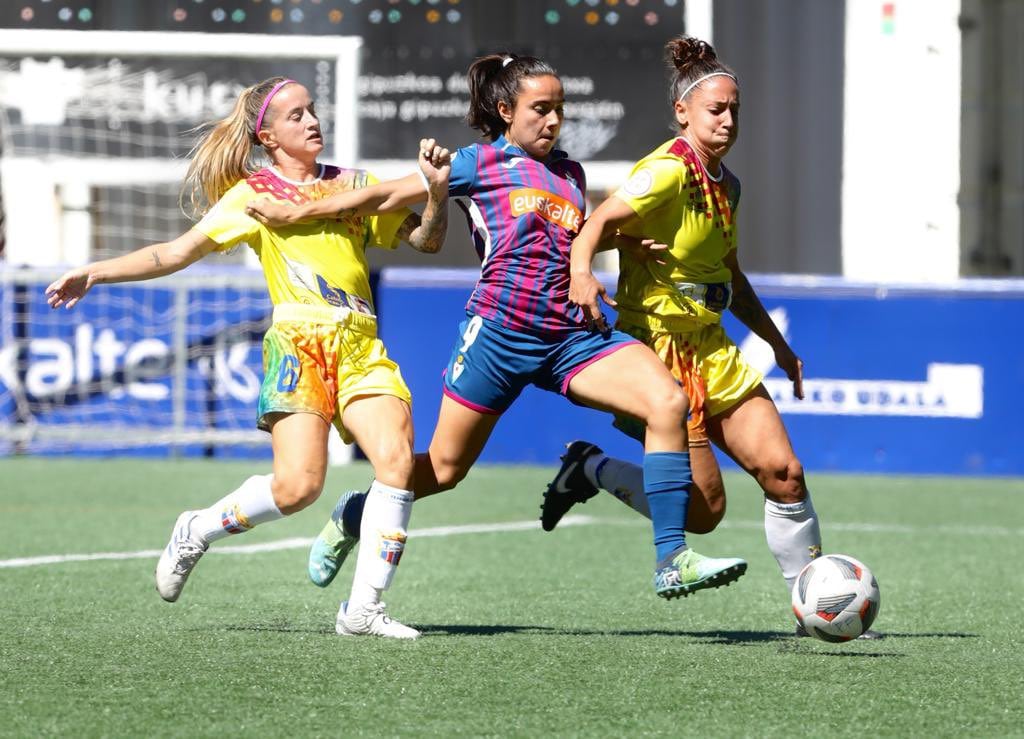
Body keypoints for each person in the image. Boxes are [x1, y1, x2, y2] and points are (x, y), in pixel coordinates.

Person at [247, 54, 748, 603]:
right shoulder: (479, 162)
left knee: (668, 402)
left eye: (559, 109)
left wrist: (621, 242)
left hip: (568, 335)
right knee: (442, 469)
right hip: (498, 335)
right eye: (541, 109)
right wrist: (299, 213)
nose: (554, 121)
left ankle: (671, 559)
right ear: (507, 110)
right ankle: (353, 513)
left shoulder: (570, 173)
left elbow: (567, 236)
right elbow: (384, 195)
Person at [45, 77, 452, 640]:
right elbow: (174, 252)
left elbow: (427, 242)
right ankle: (198, 528)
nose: (312, 122)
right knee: (298, 488)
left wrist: (434, 193)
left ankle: (362, 611)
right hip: (298, 344)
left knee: (397, 463)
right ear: (267, 136)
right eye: (295, 116)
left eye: (312, 111)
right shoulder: (252, 196)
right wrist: (96, 270)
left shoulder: (356, 184)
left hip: (360, 343)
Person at [539, 37, 879, 638]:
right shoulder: (666, 170)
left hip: (712, 347)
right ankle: (589, 469)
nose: (727, 120)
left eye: (734, 110)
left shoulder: (729, 184)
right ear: (683, 113)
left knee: (785, 474)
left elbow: (730, 272)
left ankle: (810, 615)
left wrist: (775, 343)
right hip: (659, 351)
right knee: (704, 513)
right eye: (715, 109)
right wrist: (581, 273)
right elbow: (595, 223)